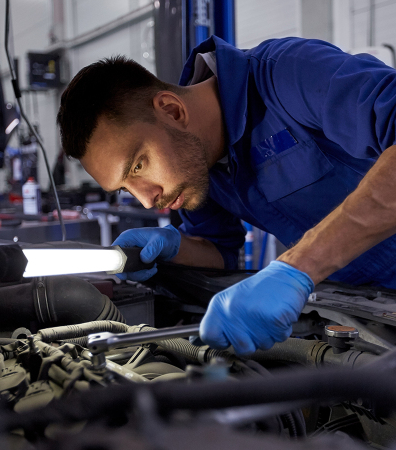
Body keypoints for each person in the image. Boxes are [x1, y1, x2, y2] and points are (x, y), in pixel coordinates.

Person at [57, 36, 396, 354]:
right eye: (125, 187)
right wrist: (174, 248)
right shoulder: (197, 171)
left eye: (137, 167)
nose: (147, 199)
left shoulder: (289, 73)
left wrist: (298, 267)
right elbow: (220, 254)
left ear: (172, 110)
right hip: (368, 315)